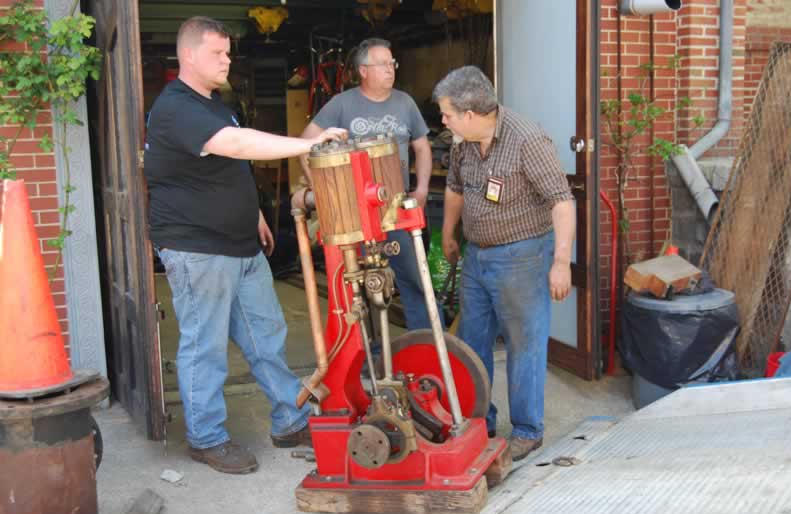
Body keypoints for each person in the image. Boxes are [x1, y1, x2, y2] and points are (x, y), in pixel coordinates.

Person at [144, 16, 347, 475]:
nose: (227, 60)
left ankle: (289, 419)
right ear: (189, 55)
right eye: (218, 53)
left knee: (266, 335)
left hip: (240, 243)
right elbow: (235, 145)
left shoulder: (217, 103)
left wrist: (253, 214)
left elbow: (225, 166)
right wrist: (305, 145)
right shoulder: (177, 107)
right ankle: (207, 437)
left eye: (228, 52)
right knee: (205, 346)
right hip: (199, 248)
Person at [432, 66, 576, 461]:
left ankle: (528, 430)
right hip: (477, 255)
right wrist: (448, 232)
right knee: (474, 346)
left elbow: (561, 200)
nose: (442, 120)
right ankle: (481, 422)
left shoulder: (527, 139)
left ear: (471, 113)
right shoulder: (463, 142)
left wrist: (561, 261)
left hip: (522, 255)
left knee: (523, 344)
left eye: (447, 113)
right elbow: (456, 188)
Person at [301, 38, 439, 330]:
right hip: (356, 214)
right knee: (359, 285)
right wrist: (321, 193)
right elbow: (305, 143)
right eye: (383, 64)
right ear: (363, 70)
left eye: (392, 63)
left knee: (416, 279)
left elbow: (423, 148)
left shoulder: (406, 103)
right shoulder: (341, 104)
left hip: (396, 210)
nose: (391, 69)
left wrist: (423, 188)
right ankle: (369, 356)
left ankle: (426, 347)